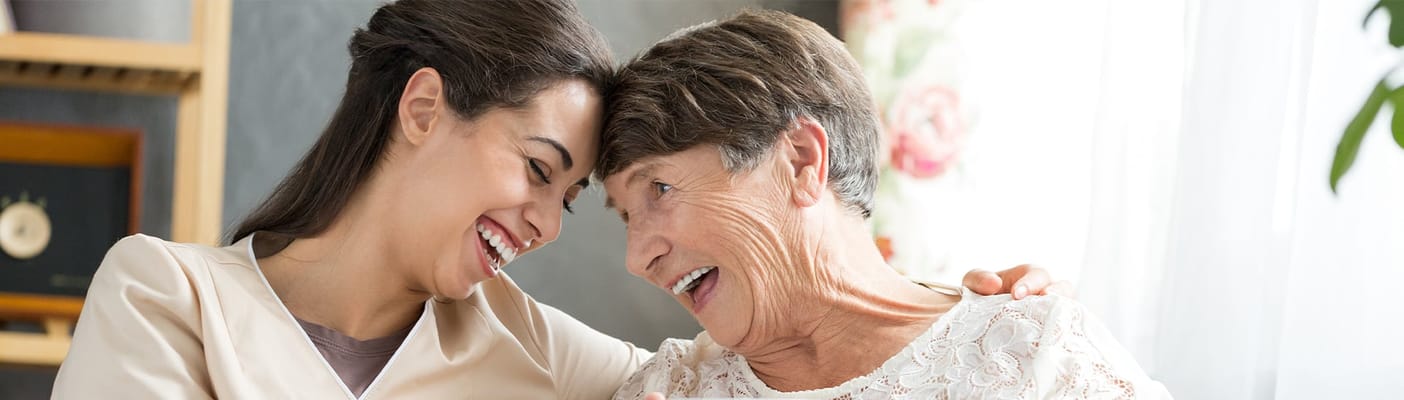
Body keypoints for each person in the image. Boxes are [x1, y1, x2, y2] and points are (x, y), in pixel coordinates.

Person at [49, 1, 1058, 399]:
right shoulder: (166, 296)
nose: (542, 222)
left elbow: (770, 364)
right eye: (537, 168)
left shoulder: (529, 347)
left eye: (569, 200)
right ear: (425, 105)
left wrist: (955, 322)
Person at [599, 9, 1171, 399]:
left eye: (660, 190)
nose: (636, 258)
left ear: (800, 161)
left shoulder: (1033, 352)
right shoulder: (668, 387)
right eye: (625, 216)